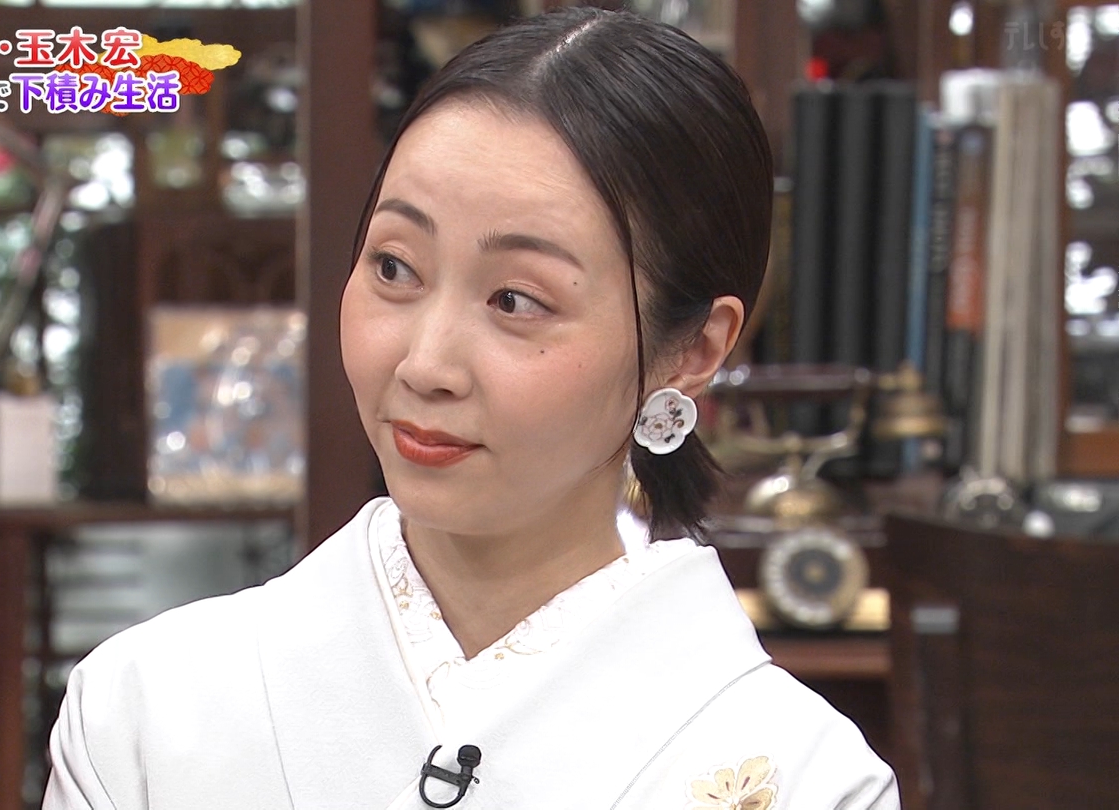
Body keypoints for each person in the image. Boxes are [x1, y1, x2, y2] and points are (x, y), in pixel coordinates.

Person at [44, 8, 900, 809]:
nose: (425, 364)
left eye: (516, 301)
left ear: (694, 350)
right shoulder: (147, 712)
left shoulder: (804, 779)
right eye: (395, 268)